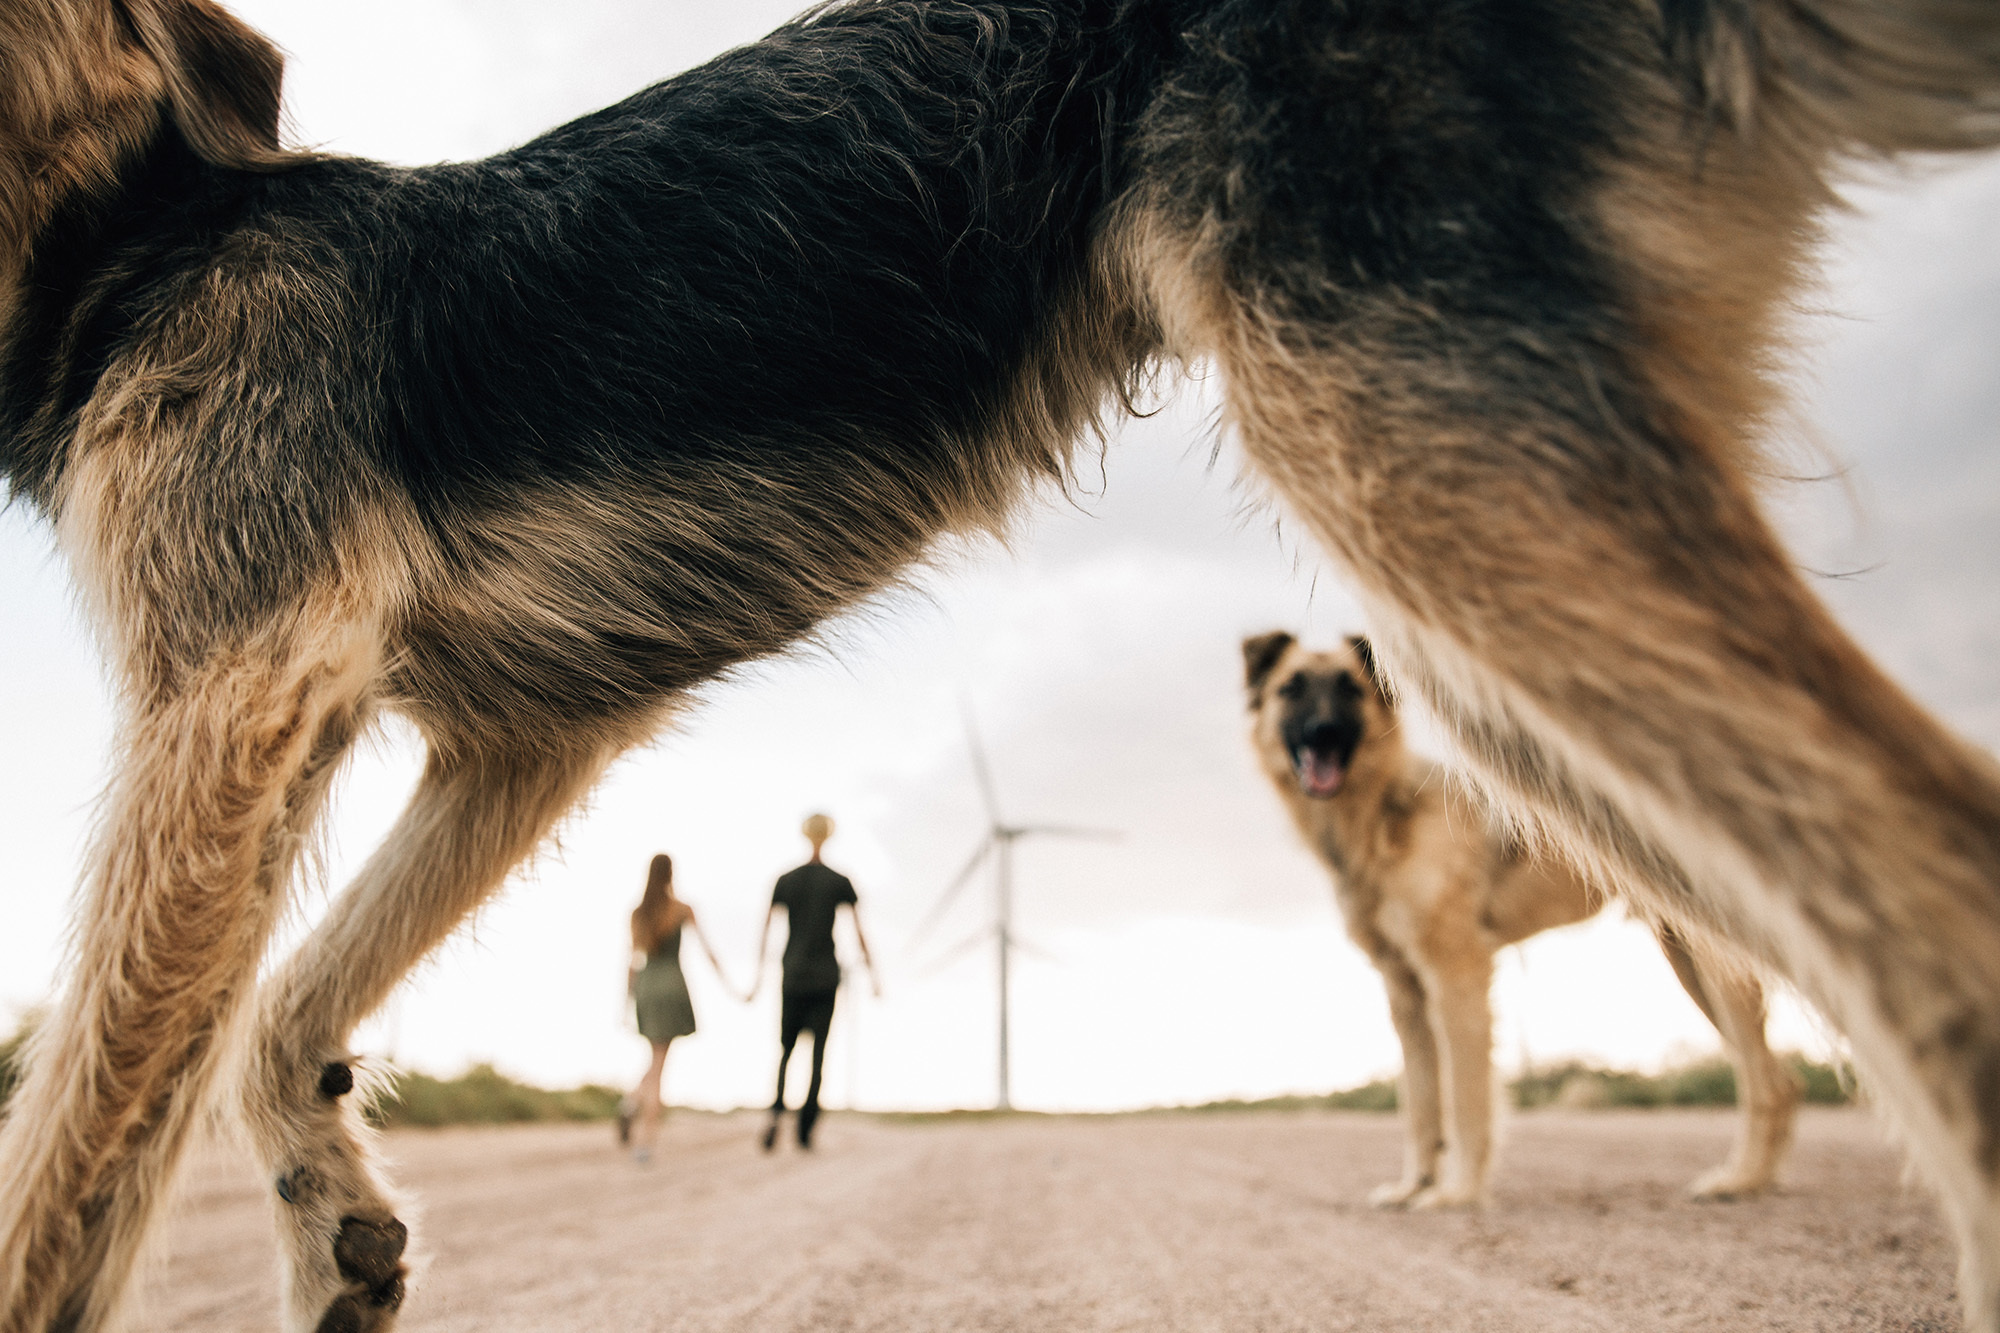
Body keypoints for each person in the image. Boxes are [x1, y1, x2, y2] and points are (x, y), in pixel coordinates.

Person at [748, 813, 879, 1150]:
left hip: (792, 974)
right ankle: (805, 1128)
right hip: (824, 977)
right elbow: (859, 931)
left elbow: (767, 928)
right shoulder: (839, 881)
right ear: (829, 835)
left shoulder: (786, 880)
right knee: (819, 1055)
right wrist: (873, 974)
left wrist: (757, 977)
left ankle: (776, 1113)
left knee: (786, 1051)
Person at [621, 853, 732, 1164]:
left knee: (655, 1058)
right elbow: (708, 950)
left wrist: (627, 1000)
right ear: (671, 874)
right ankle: (645, 1142)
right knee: (659, 1064)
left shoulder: (638, 913)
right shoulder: (682, 909)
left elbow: (632, 961)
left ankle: (631, 1102)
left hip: (647, 985)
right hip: (672, 984)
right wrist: (730, 985)